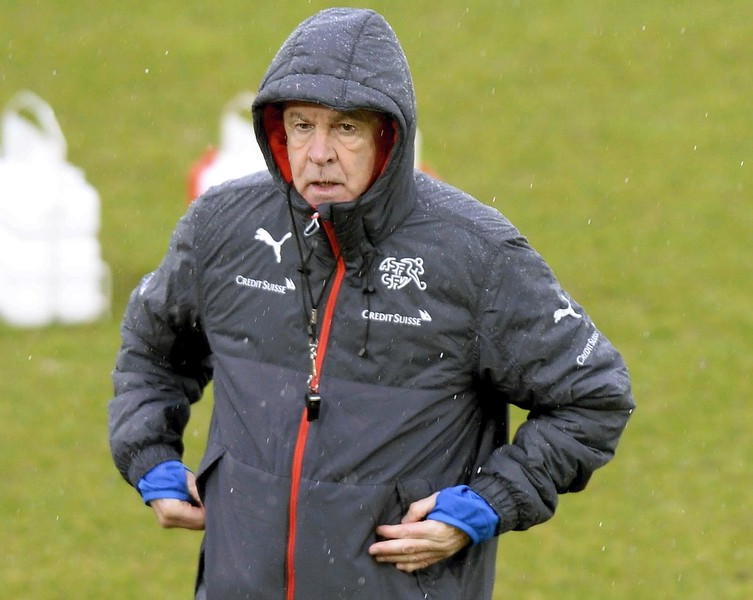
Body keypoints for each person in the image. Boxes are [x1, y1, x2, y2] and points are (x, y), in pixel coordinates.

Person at [108, 8, 634, 599]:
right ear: (277, 130)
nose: (319, 153)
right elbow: (153, 351)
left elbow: (593, 397)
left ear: (390, 136)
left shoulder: (478, 255)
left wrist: (488, 502)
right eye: (302, 125)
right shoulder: (222, 227)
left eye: (347, 129)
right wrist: (149, 454)